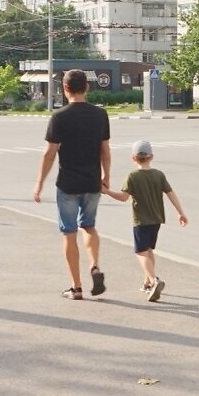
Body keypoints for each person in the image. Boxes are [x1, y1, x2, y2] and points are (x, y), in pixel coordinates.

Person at [32, 69, 111, 300]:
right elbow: (105, 150)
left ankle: (76, 288)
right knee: (89, 225)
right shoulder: (100, 115)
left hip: (67, 184)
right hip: (92, 182)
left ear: (65, 89)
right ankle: (95, 266)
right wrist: (106, 176)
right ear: (87, 87)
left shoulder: (60, 117)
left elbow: (50, 154)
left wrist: (39, 183)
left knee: (69, 232)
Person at [103, 139, 188, 302]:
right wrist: (180, 213)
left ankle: (154, 279)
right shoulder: (159, 174)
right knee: (148, 250)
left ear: (133, 158)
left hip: (141, 220)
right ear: (151, 157)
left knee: (140, 251)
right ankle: (148, 282)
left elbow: (123, 198)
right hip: (156, 220)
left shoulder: (132, 176)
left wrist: (106, 191)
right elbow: (171, 194)